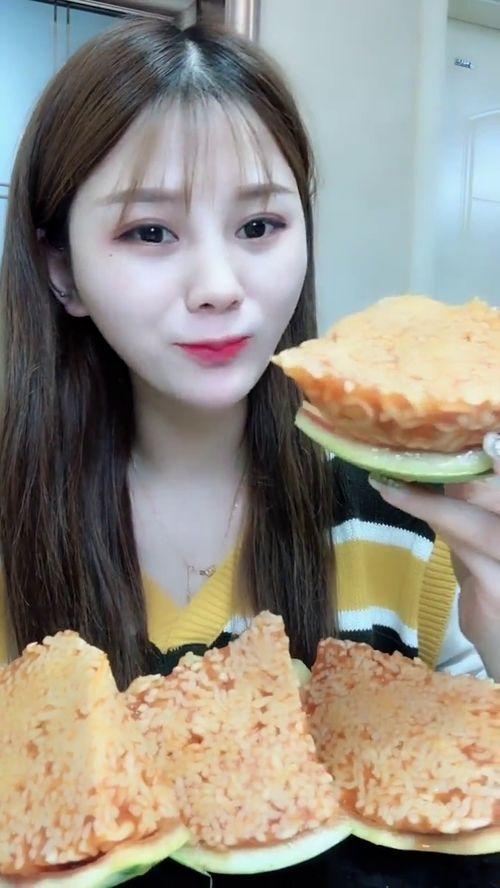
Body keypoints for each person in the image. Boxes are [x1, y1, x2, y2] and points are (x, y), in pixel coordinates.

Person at [0, 16, 498, 887]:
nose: (220, 287)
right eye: (149, 232)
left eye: (260, 224)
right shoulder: (12, 533)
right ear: (62, 270)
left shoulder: (415, 526)